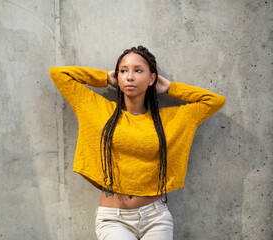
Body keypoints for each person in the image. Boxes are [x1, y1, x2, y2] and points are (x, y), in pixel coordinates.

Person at [49, 46, 226, 240]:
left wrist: (170, 88)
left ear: (152, 78)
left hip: (156, 218)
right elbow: (59, 74)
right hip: (113, 219)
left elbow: (214, 101)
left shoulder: (171, 119)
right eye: (123, 71)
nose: (129, 76)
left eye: (138, 70)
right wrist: (105, 78)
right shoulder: (96, 109)